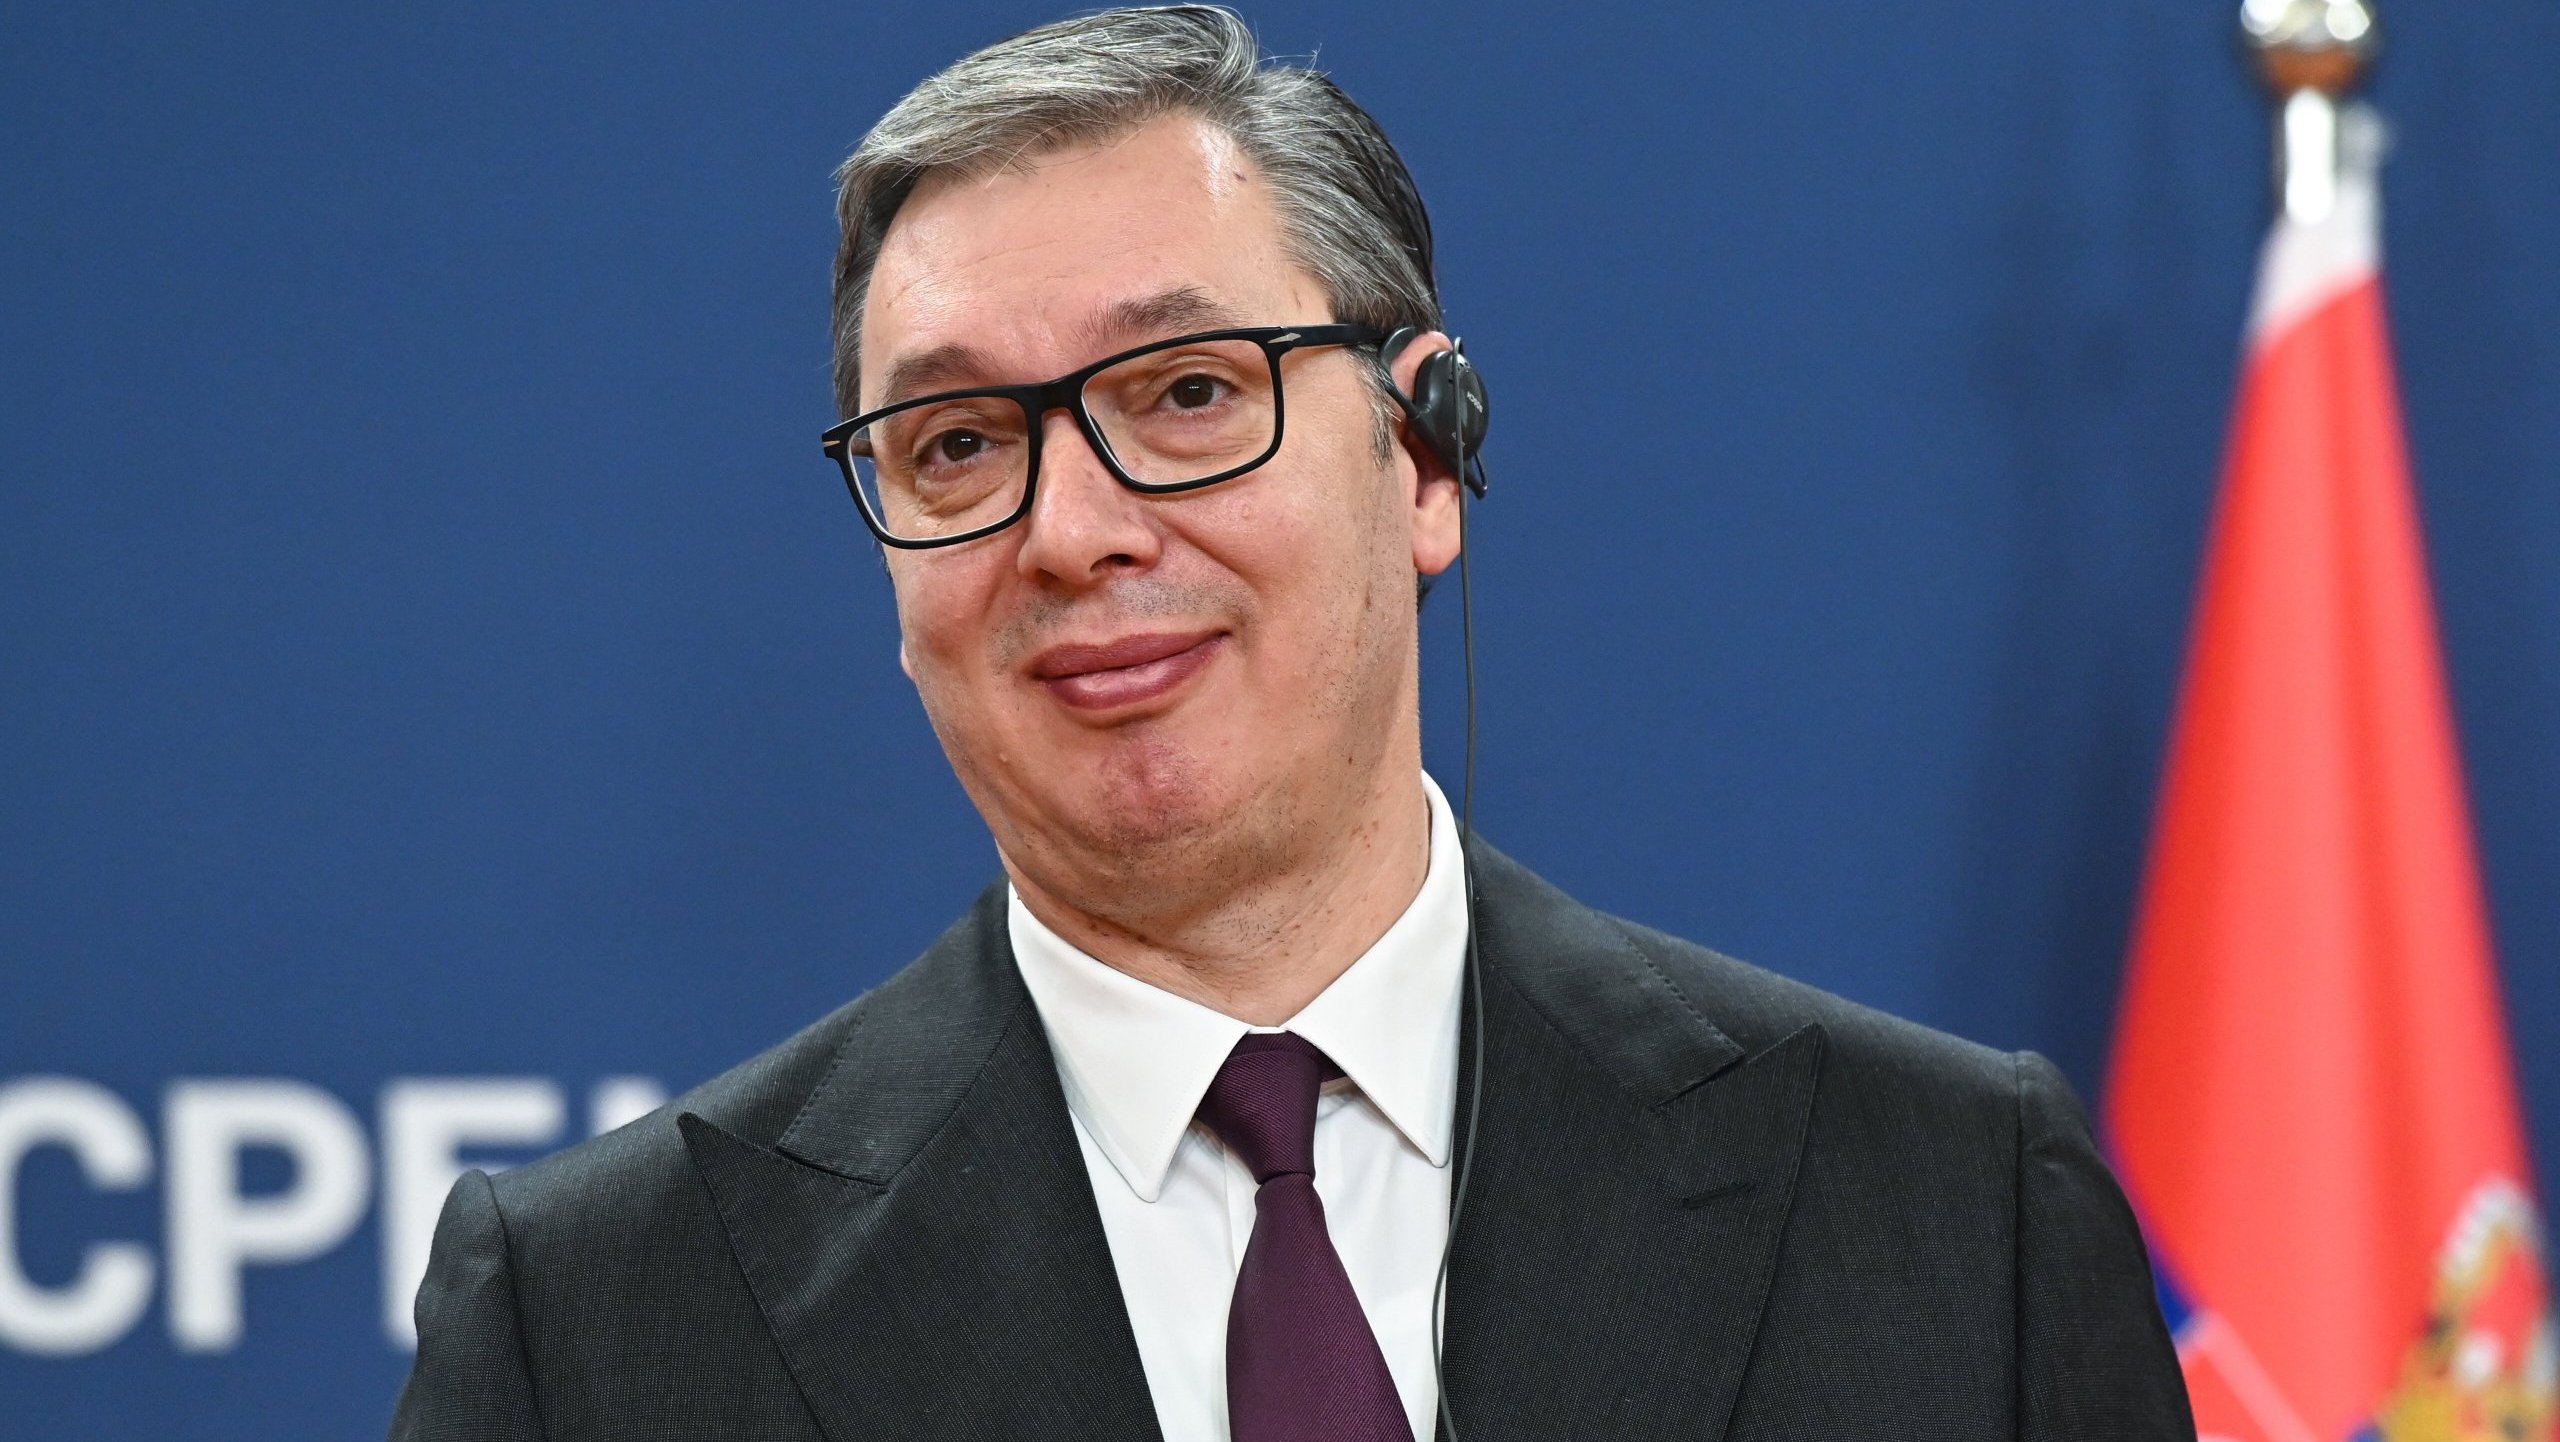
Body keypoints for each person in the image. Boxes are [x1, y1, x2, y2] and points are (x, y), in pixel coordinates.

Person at [391, 8, 2195, 1439]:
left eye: (1186, 393)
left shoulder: (1952, 1208)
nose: (1070, 529)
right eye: (957, 443)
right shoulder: (593, 1322)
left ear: (1427, 457)